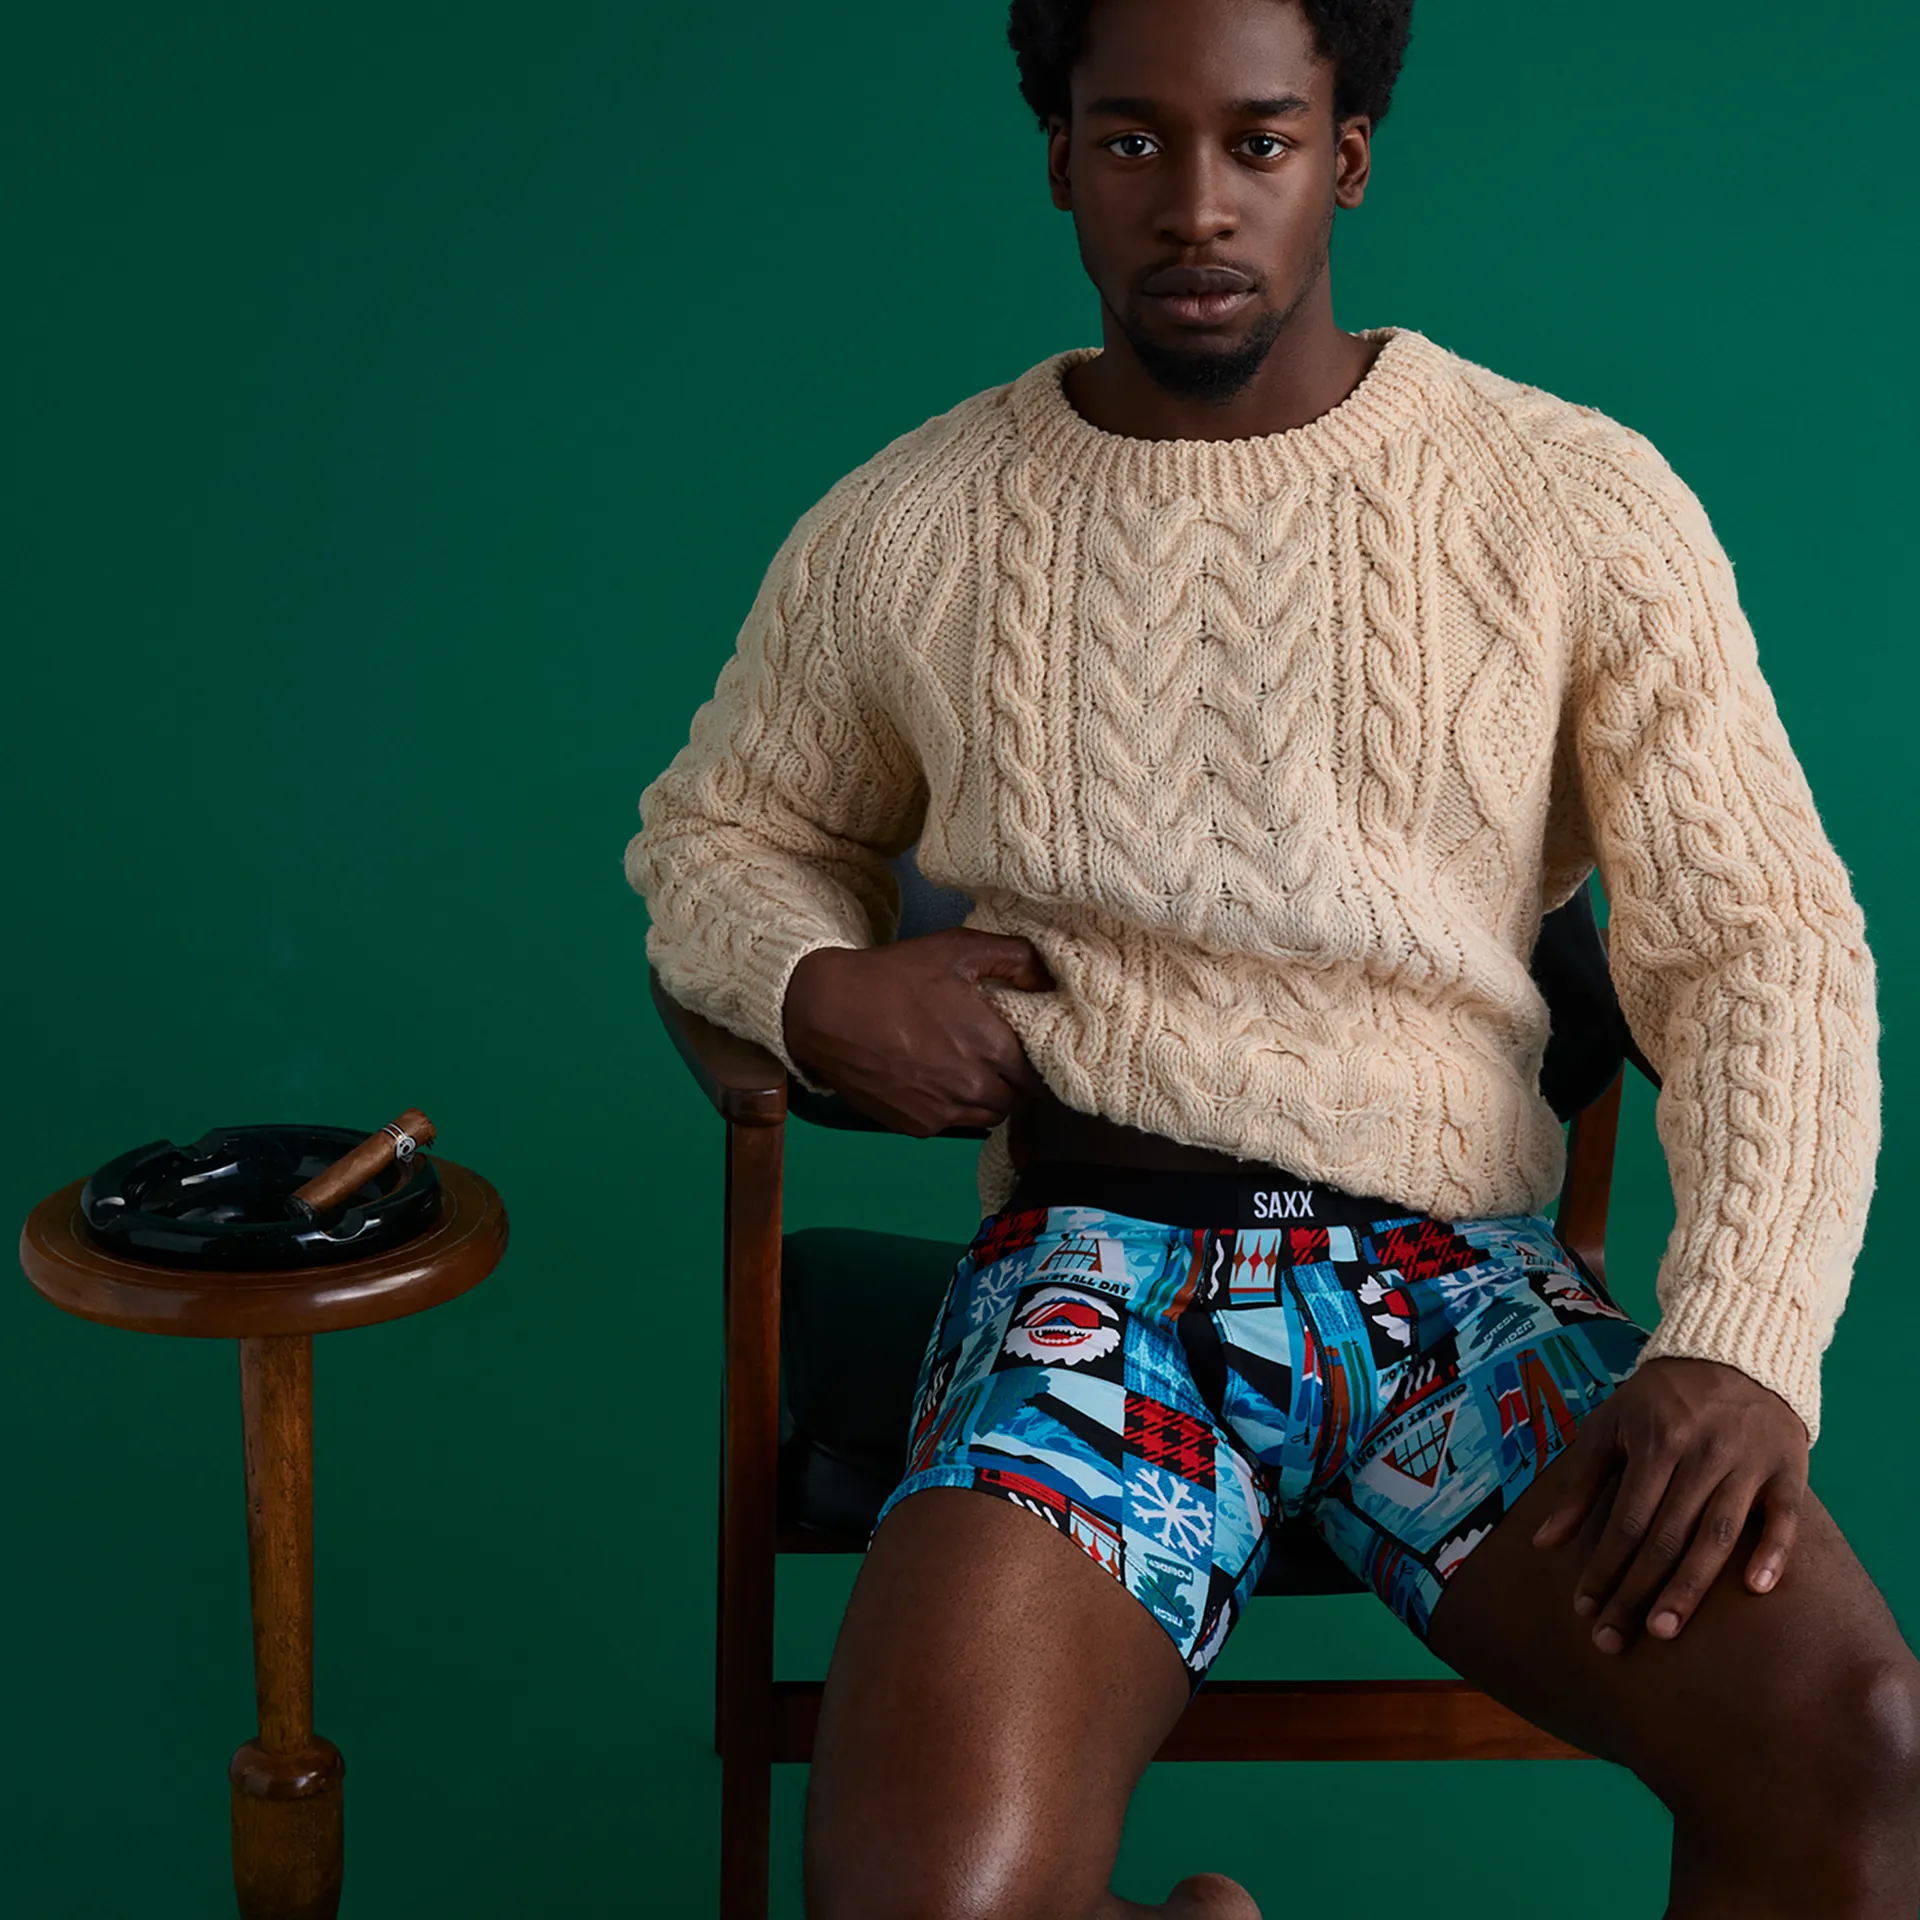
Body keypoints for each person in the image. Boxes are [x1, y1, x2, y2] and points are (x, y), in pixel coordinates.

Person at [626, 1, 1919, 1912]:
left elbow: (1764, 944)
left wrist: (1741, 1342)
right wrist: (817, 989)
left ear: (1346, 158)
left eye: (1259, 140)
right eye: (1132, 142)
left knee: (1861, 1745)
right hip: (1096, 1280)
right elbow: (718, 834)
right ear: (1061, 162)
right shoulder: (909, 525)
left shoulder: (1572, 500)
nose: (1197, 204)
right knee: (926, 1897)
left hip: (1458, 1297)